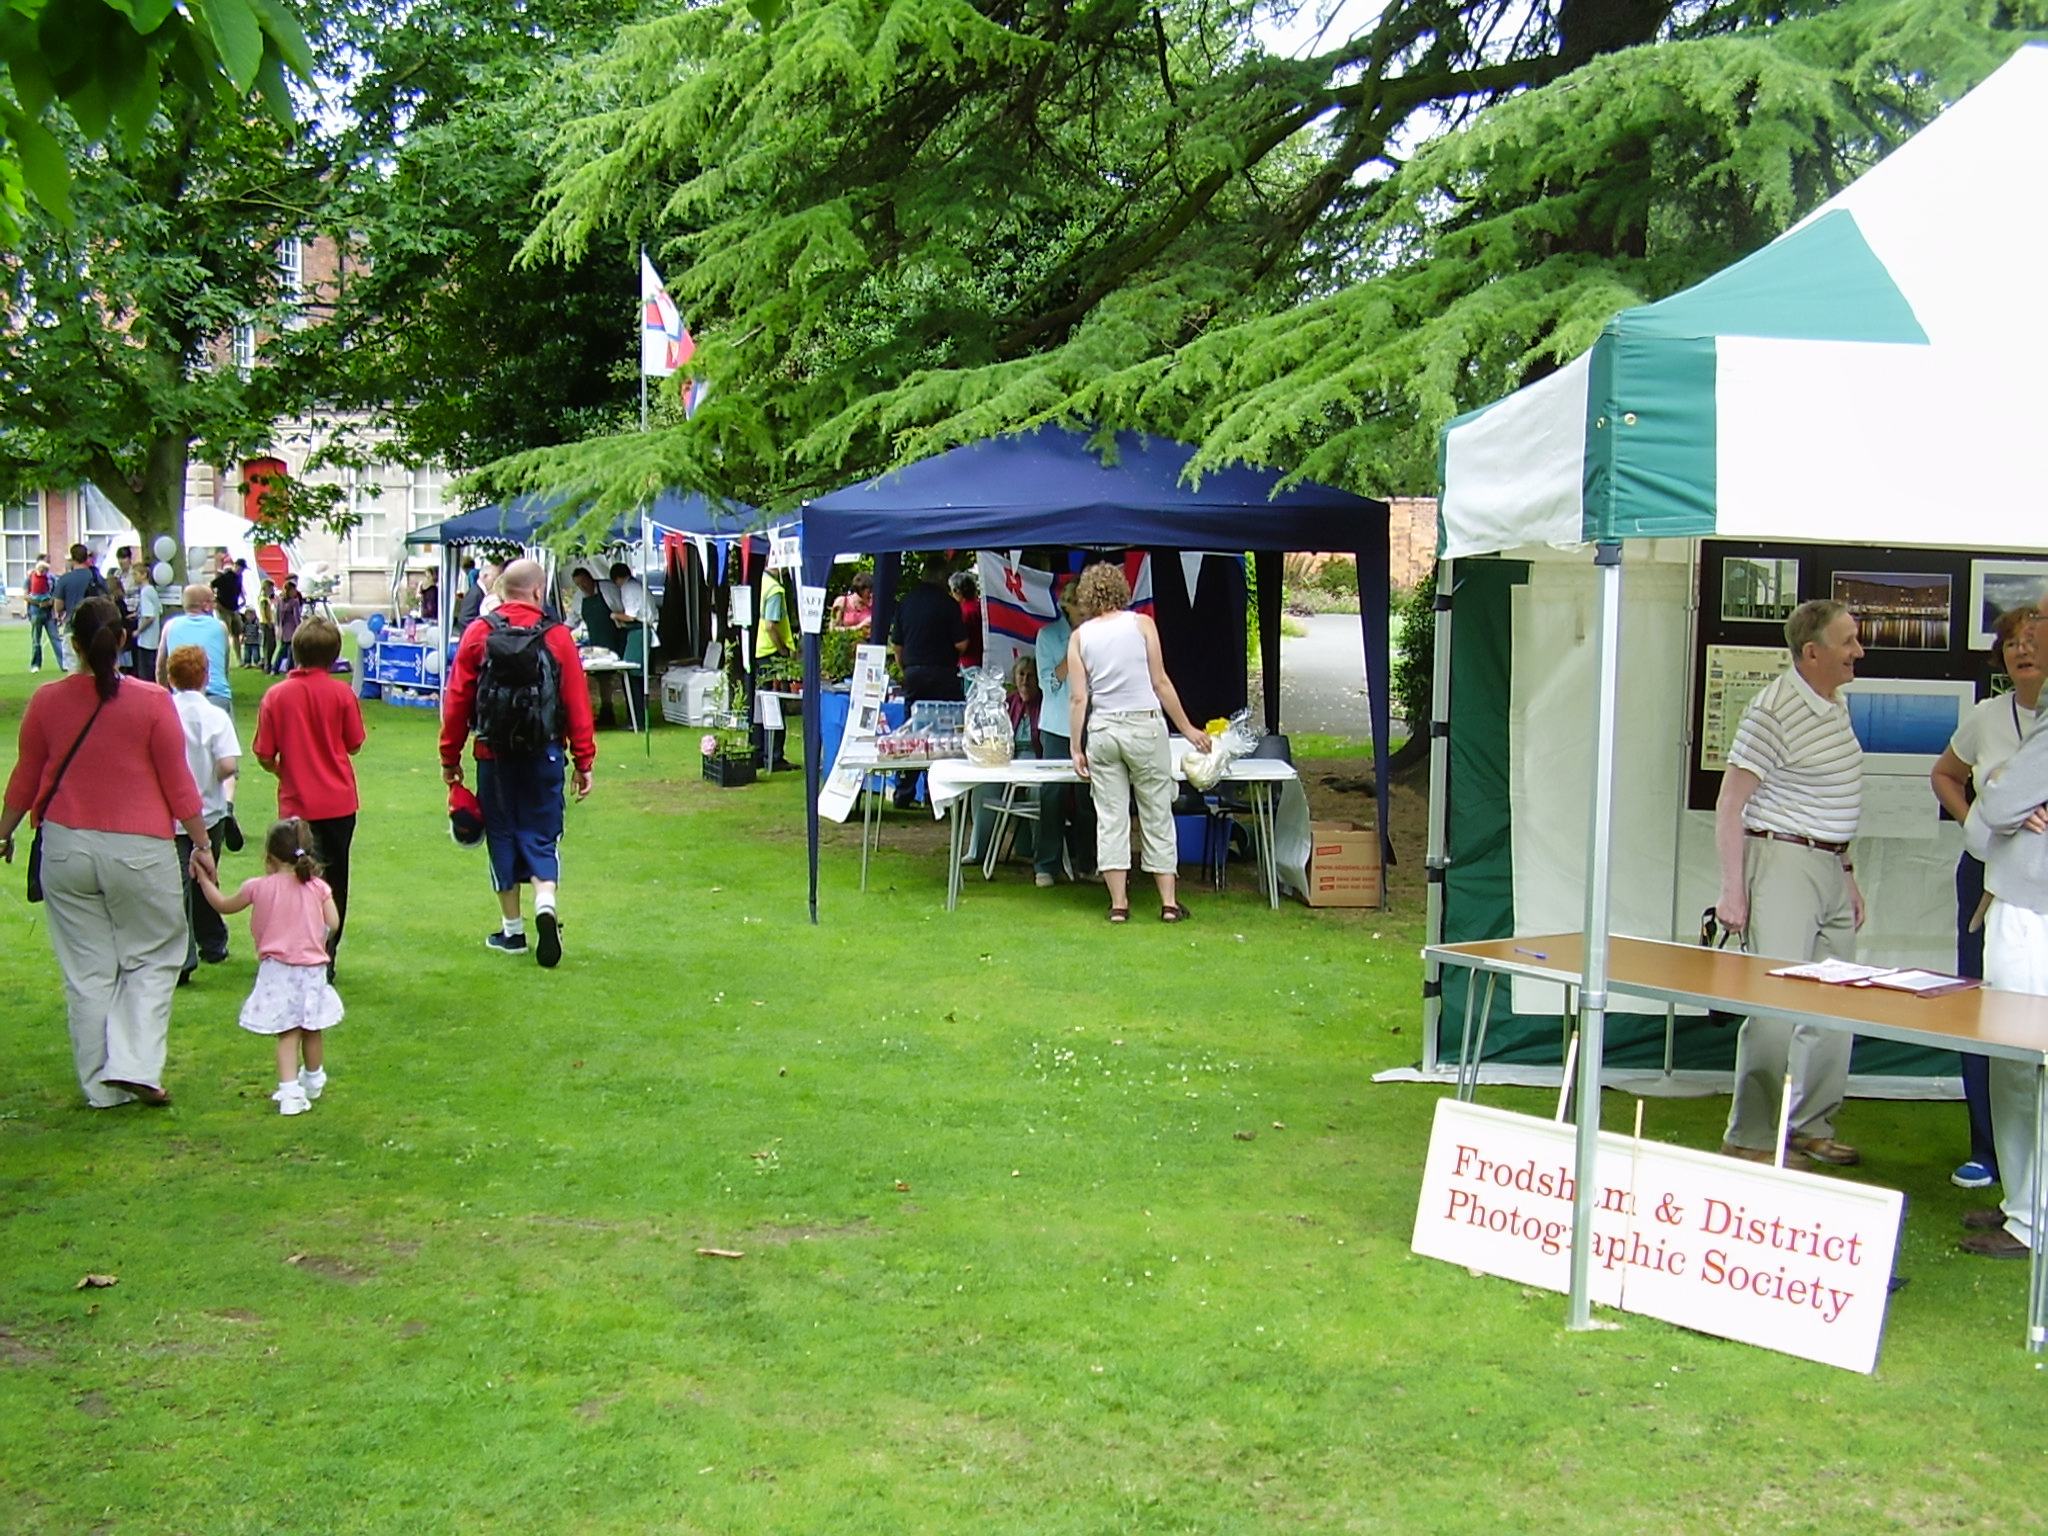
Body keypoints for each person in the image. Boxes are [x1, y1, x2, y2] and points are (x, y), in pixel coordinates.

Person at [0, 596, 212, 1108]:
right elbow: (178, 782)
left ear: (73, 643)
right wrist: (202, 841)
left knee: (88, 970)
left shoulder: (47, 701)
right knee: (155, 956)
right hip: (140, 845)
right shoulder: (152, 702)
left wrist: (5, 832)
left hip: (66, 846)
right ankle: (134, 1065)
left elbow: (25, 778)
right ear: (123, 639)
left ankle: (101, 1086)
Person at [1712, 598, 1866, 1171]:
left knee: (1837, 1001)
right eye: (1848, 641)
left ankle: (1807, 1125)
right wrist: (1733, 891)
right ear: (1812, 652)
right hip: (1781, 862)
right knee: (1774, 1003)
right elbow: (1730, 805)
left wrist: (1846, 872)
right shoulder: (1771, 711)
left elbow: (1832, 799)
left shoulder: (1835, 705)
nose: (1859, 651)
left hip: (1828, 867)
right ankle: (1750, 1136)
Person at [1928, 605, 2042, 1190]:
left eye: (2032, 638)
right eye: (2012, 641)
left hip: (2035, 883)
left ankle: (2031, 1169)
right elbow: (1944, 774)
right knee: (1983, 1006)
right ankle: (1986, 1147)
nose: (2022, 649)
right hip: (1984, 873)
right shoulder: (1986, 717)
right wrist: (1982, 822)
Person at [440, 558, 597, 968]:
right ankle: (545, 901)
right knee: (542, 833)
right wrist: (584, 760)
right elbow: (576, 701)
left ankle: (512, 930)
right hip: (543, 751)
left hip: (493, 754)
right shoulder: (558, 638)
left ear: (502, 590)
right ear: (537, 591)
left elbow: (456, 699)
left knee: (503, 833)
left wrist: (449, 757)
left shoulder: (479, 633)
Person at [1958, 654, 2048, 1259]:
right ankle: (2023, 1204)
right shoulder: (2007, 714)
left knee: (2022, 1063)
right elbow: (1995, 816)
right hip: (2021, 897)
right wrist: (2001, 802)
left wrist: (1997, 790)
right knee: (2018, 1065)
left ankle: (2030, 1219)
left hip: (2030, 908)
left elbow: (1995, 806)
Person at [1067, 561, 1211, 923]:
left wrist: (1075, 746)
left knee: (1111, 817)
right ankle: (1168, 904)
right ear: (1121, 589)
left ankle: (1119, 905)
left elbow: (1078, 698)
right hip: (1144, 727)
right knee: (1157, 813)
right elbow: (1160, 682)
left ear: (1086, 595)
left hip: (1102, 731)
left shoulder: (1080, 637)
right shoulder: (1142, 625)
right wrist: (1188, 728)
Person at [193, 817, 344, 1117]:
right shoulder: (318, 888)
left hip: (278, 969)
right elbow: (334, 923)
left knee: (287, 1031)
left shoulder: (258, 887)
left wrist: (203, 879)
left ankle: (290, 1092)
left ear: (270, 856)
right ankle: (313, 1079)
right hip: (312, 969)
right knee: (312, 1027)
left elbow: (223, 904)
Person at [253, 617, 366, 977]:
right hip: (338, 802)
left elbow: (263, 752)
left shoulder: (276, 695)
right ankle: (327, 954)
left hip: (297, 804)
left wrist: (280, 769)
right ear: (334, 657)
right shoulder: (341, 693)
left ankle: (296, 950)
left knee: (294, 879)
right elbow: (355, 743)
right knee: (334, 882)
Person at [166, 645, 241, 981]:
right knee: (205, 878)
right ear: (206, 677)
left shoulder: (164, 712)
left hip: (170, 812)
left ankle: (183, 955)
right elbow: (228, 764)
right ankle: (212, 941)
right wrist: (216, 774)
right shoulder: (215, 716)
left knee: (178, 885)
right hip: (208, 810)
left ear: (170, 677)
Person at [889, 556, 968, 808]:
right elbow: (961, 643)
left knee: (912, 731)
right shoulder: (948, 604)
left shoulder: (906, 602)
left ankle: (904, 790)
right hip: (943, 673)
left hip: (914, 672)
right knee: (945, 732)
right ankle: (940, 792)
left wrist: (905, 668)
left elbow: (897, 645)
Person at [1033, 572, 1096, 888]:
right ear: (1068, 607)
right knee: (1053, 794)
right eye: (1081, 610)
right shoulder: (1047, 636)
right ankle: (1046, 864)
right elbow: (1048, 684)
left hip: (1091, 724)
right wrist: (1073, 651)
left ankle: (1089, 863)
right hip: (1057, 726)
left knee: (1090, 797)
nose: (1087, 616)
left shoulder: (1098, 635)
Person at [156, 585, 233, 707]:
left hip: (182, 696)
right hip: (216, 695)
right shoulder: (220, 627)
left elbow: (161, 668)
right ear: (206, 605)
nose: (215, 605)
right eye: (213, 601)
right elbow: (224, 667)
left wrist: (165, 697)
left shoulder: (169, 626)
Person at [571, 567, 629, 728]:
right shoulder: (578, 598)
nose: (583, 587)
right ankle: (606, 711)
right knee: (601, 678)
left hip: (616, 637)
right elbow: (572, 620)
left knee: (624, 675)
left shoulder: (608, 589)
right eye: (578, 584)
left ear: (590, 578)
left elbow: (621, 610)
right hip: (596, 641)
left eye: (584, 582)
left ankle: (631, 713)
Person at [50, 544, 105, 629]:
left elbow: (58, 607)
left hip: (72, 622)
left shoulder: (64, 579)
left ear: (72, 559)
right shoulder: (96, 577)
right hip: (94, 623)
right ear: (86, 557)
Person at [26, 555, 63, 671]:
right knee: (36, 640)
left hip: (49, 613)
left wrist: (50, 603)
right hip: (35, 612)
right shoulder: (29, 578)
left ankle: (63, 664)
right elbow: (25, 595)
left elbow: (57, 594)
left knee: (55, 638)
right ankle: (35, 664)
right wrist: (37, 603)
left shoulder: (52, 579)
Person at [132, 572, 168, 682]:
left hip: (146, 640)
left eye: (136, 574)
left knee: (145, 674)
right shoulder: (152, 590)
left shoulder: (145, 592)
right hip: (153, 638)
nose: (134, 577)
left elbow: (149, 617)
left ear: (143, 575)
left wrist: (138, 631)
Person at [951, 570, 984, 672]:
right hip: (983, 660)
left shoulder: (962, 613)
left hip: (968, 664)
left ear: (958, 591)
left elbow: (961, 641)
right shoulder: (981, 607)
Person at [274, 575, 304, 672]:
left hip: (284, 628)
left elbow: (278, 615)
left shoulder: (280, 601)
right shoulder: (294, 602)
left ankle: (275, 668)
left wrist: (278, 626)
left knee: (283, 649)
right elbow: (297, 616)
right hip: (292, 628)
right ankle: (289, 668)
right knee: (291, 649)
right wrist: (300, 627)